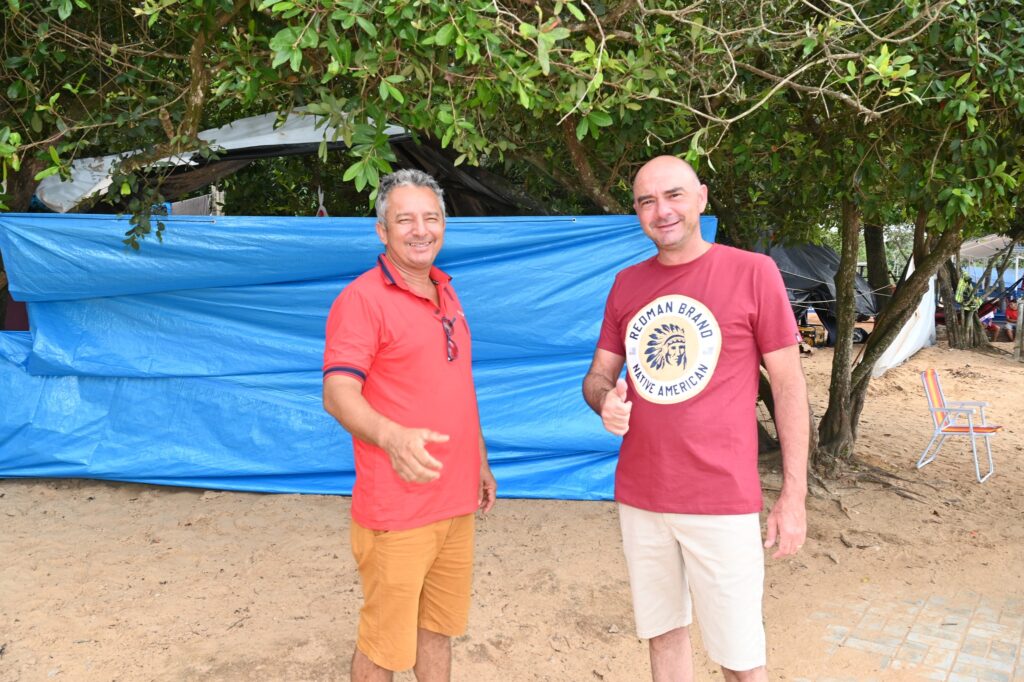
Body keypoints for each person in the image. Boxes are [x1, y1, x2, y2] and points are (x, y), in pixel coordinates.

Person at [582, 156, 809, 681]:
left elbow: (790, 387)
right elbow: (597, 375)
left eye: (674, 196)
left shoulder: (753, 273)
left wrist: (792, 495)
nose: (661, 211)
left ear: (702, 198)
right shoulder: (626, 284)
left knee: (740, 658)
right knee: (663, 637)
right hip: (641, 495)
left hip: (721, 499)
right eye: (646, 201)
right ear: (637, 212)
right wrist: (604, 402)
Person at [322, 169, 497, 682]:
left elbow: (458, 388)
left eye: (431, 217)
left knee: (437, 628)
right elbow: (337, 393)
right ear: (383, 231)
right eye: (405, 220)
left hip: (455, 499)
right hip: (397, 508)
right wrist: (392, 436)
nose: (421, 230)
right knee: (385, 645)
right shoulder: (362, 299)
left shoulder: (448, 293)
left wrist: (480, 462)